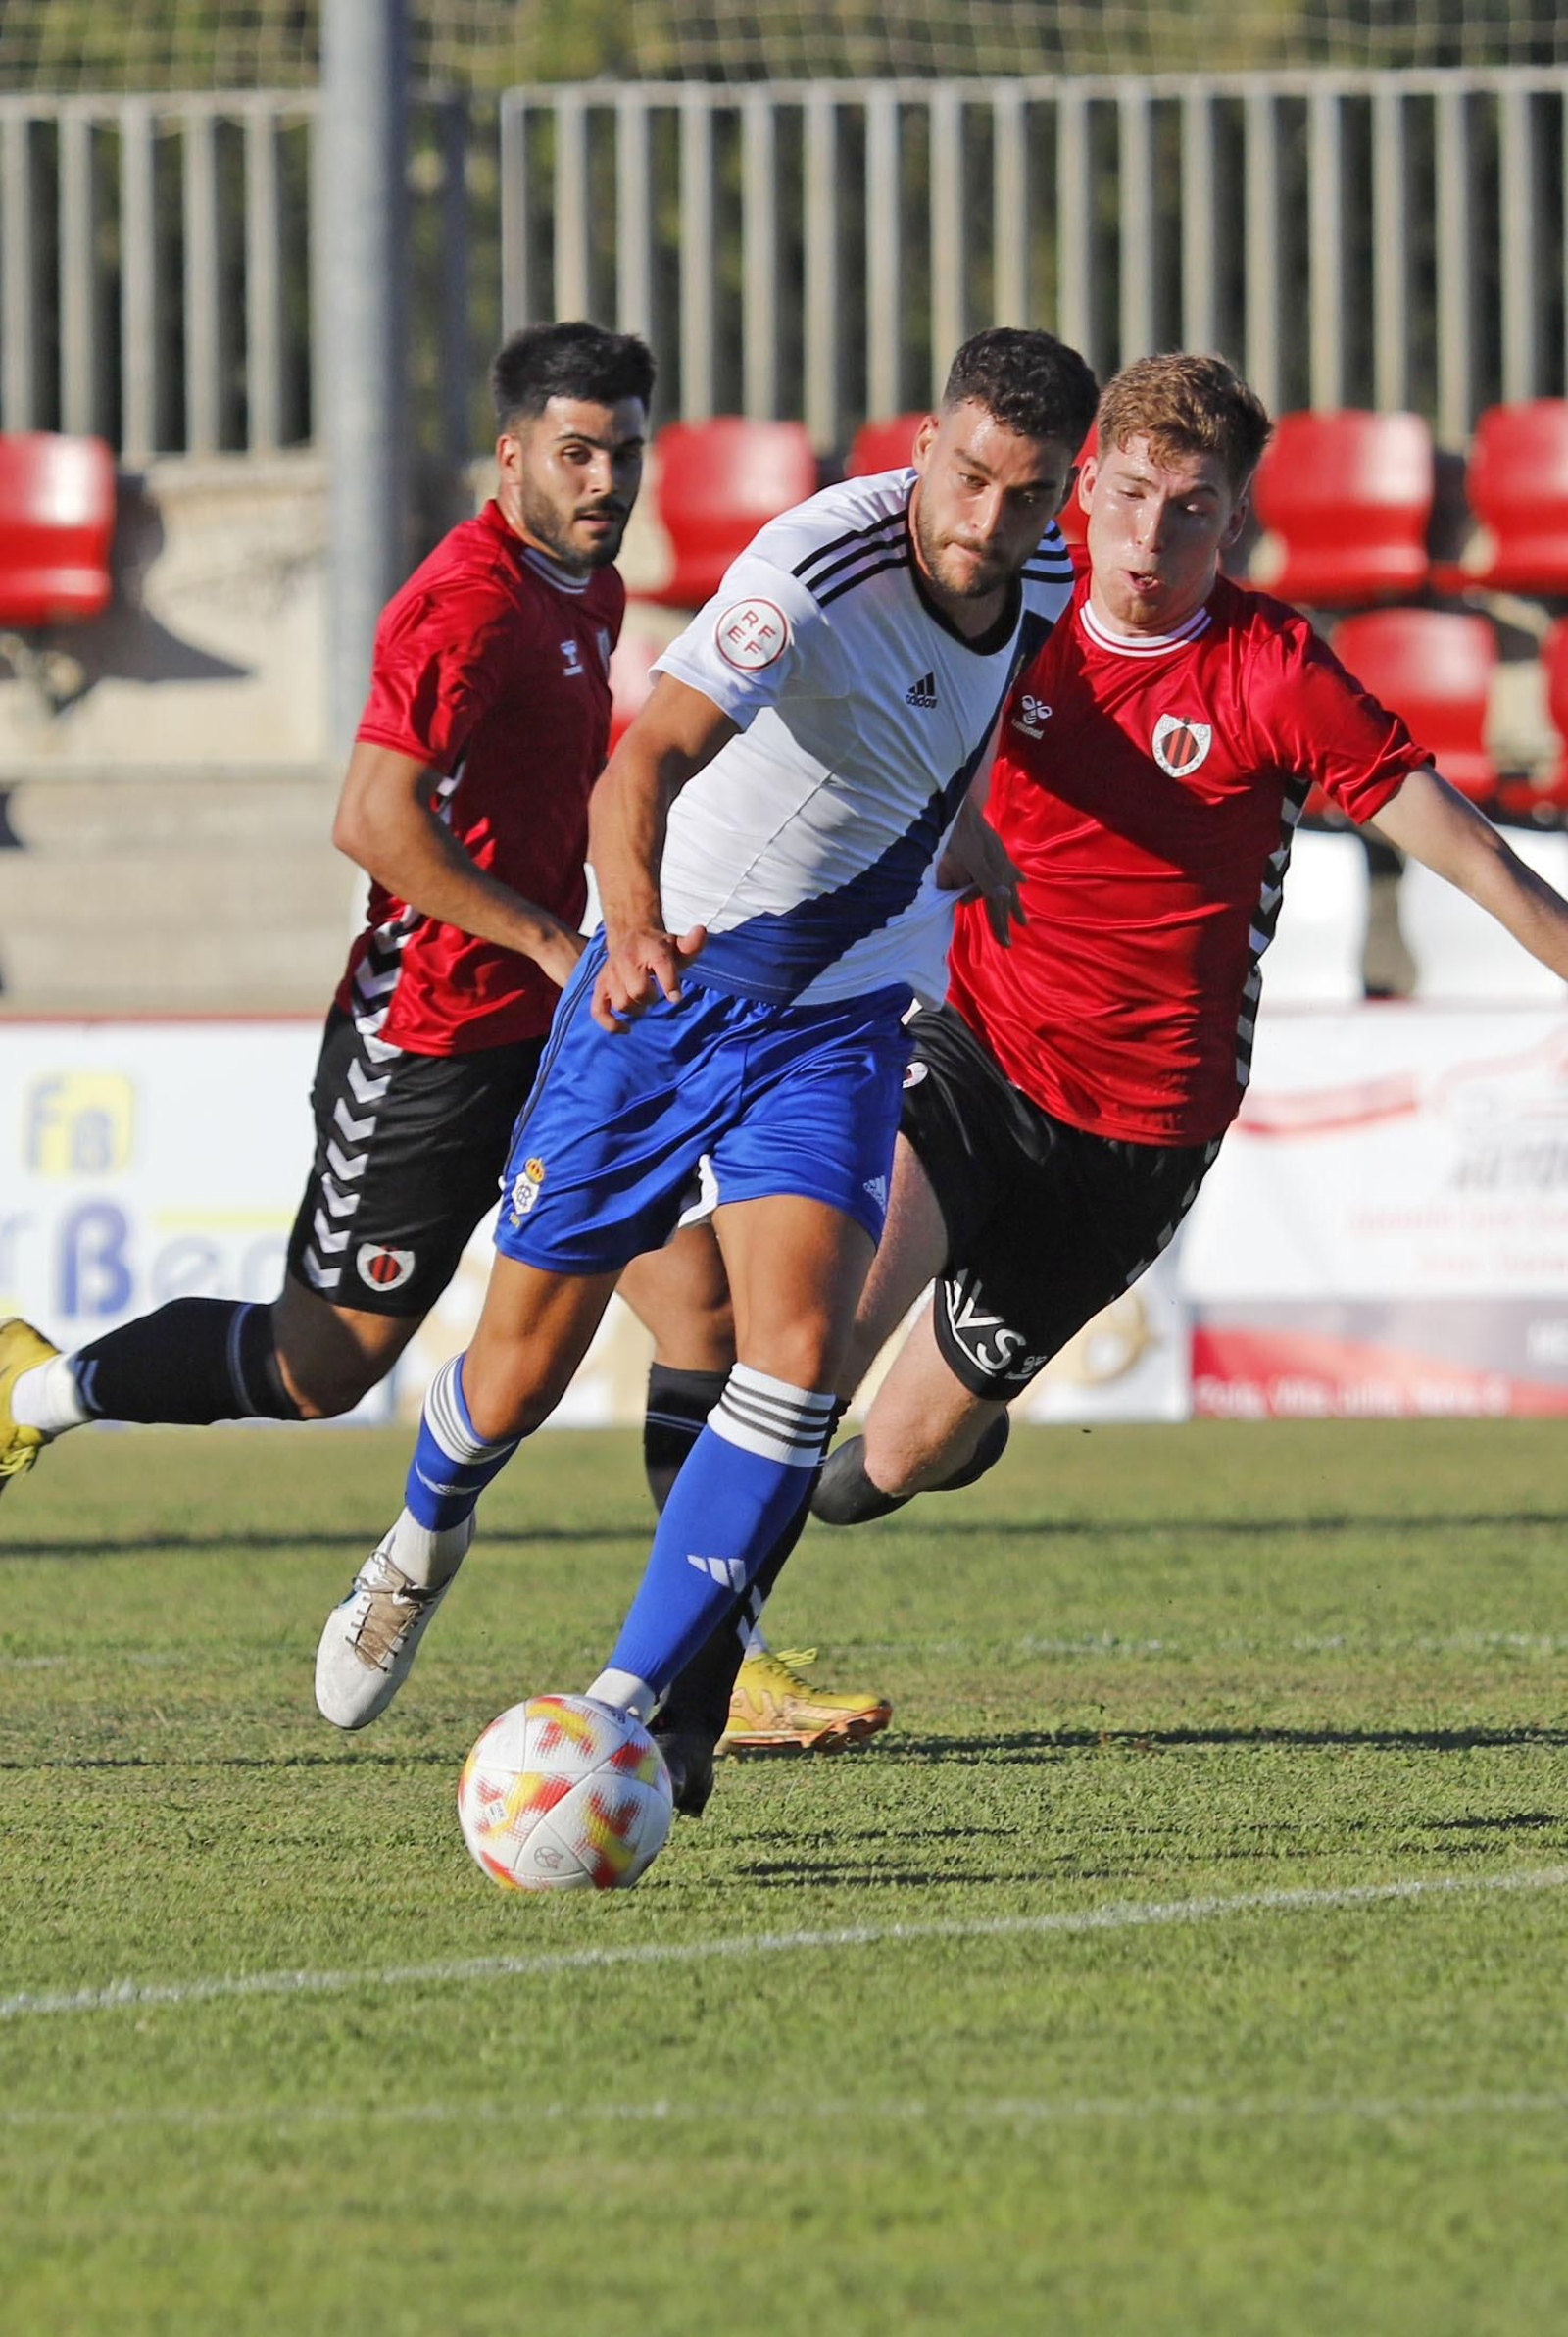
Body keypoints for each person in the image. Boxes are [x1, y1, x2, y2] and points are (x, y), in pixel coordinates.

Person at [644, 348, 1568, 1787]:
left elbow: (1475, 856)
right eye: (1128, 497)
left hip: (1139, 1135)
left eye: (1188, 509)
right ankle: (692, 1682)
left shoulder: (1276, 674)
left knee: (871, 1474)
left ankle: (954, 1431)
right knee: (805, 1341)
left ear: (1235, 526)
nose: (1150, 539)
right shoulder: (1013, 613)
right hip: (975, 1051)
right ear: (1086, 487)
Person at [0, 315, 885, 1748]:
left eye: (627, 454)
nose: (608, 482)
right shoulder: (462, 603)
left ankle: (723, 1659)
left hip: (577, 1039)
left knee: (705, 1313)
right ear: (514, 455)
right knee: (322, 1365)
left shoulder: (588, 592)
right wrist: (548, 939)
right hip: (434, 1040)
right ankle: (37, 1384)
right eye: (578, 453)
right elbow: (371, 819)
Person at [308, 325, 1102, 1828]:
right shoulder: (808, 575)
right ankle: (418, 1542)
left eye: (1028, 494)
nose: (989, 520)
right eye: (972, 477)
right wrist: (628, 932)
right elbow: (641, 767)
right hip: (666, 986)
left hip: (842, 1013)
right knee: (517, 1374)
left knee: (796, 1349)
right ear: (925, 446)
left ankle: (635, 1703)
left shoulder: (1043, 572)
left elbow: (972, 708)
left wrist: (966, 827)